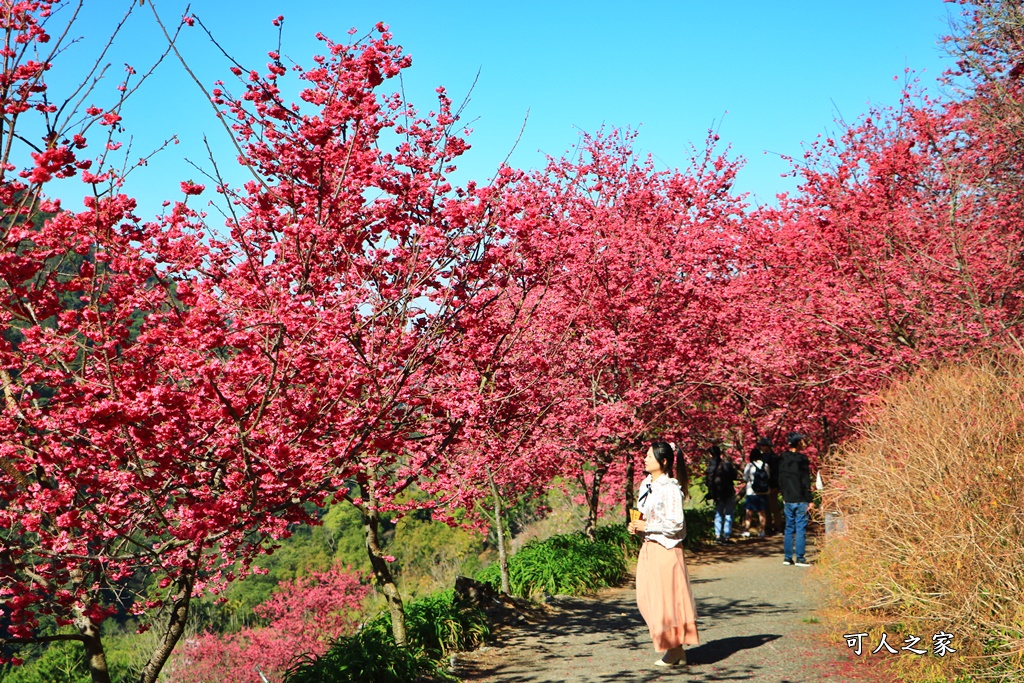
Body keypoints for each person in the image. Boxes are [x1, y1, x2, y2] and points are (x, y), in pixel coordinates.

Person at [627, 441, 699, 667]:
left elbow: (676, 524)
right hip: (649, 548)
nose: (645, 459)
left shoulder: (670, 488)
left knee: (667, 601)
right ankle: (674, 648)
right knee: (647, 599)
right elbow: (645, 515)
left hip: (666, 549)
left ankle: (675, 649)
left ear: (664, 462)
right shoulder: (646, 484)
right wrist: (637, 525)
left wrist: (647, 527)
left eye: (649, 456)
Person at [778, 432, 814, 567]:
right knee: (800, 528)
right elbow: (805, 480)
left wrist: (783, 495)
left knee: (788, 528)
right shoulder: (802, 459)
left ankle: (787, 557)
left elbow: (780, 479)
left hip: (788, 499)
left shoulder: (782, 458)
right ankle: (800, 558)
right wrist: (810, 499)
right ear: (798, 443)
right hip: (800, 498)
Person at [704, 444, 737, 544]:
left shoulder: (710, 467)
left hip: (717, 494)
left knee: (718, 514)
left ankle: (718, 535)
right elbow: (734, 476)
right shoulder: (726, 464)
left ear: (710, 455)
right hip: (728, 492)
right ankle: (726, 536)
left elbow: (707, 482)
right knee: (728, 514)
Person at [751, 436, 781, 535]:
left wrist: (776, 485)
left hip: (772, 485)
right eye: (762, 446)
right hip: (763, 486)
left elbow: (777, 472)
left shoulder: (774, 457)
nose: (764, 448)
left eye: (765, 446)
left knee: (774, 507)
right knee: (766, 507)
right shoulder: (761, 457)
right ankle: (768, 526)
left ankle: (778, 526)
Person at [740, 447, 770, 538]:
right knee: (762, 512)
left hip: (751, 492)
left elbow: (745, 478)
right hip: (764, 492)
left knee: (749, 512)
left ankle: (746, 530)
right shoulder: (765, 465)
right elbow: (768, 477)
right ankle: (762, 531)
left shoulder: (749, 465)